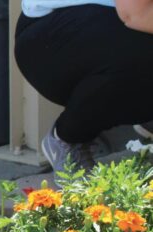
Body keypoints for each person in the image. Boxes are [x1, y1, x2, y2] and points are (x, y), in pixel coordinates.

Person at [15, 0, 153, 185]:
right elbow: (134, 14)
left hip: (110, 24)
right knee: (145, 56)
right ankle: (68, 139)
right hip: (48, 38)